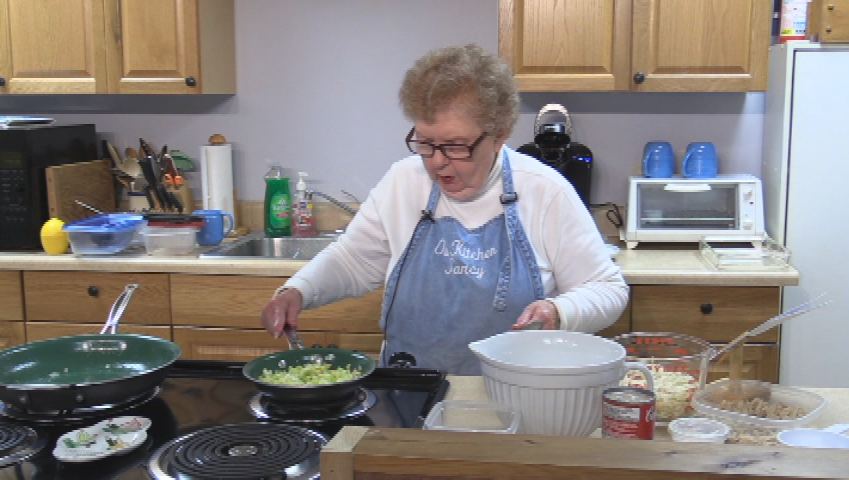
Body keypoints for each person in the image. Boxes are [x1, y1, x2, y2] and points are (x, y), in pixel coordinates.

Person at [260, 44, 628, 375]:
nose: (437, 162)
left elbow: (607, 289)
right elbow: (352, 261)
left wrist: (558, 311)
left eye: (455, 146)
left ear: (499, 134)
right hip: (410, 390)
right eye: (425, 143)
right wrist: (298, 291)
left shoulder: (544, 190)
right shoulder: (403, 182)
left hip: (515, 394)